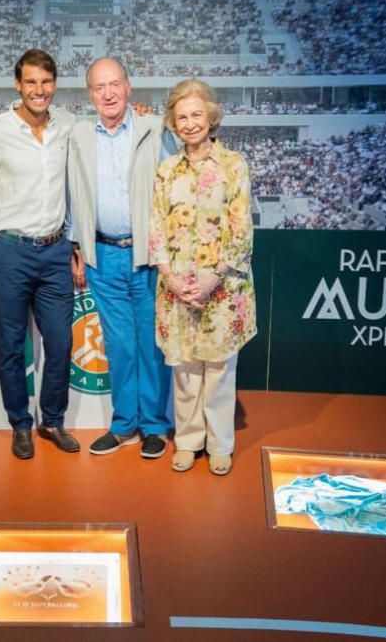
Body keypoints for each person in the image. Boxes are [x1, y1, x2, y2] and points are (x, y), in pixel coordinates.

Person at [149, 78, 257, 476]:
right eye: (182, 117)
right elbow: (155, 226)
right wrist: (170, 277)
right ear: (173, 123)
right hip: (176, 288)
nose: (190, 123)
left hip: (223, 289)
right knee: (185, 372)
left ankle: (220, 444)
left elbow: (241, 229)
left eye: (197, 115)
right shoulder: (165, 171)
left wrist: (214, 277)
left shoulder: (234, 165)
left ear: (211, 117)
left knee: (218, 372)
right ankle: (189, 441)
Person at [67, 57, 172, 459]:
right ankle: (124, 424)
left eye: (115, 85)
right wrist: (76, 246)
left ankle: (153, 427)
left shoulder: (154, 129)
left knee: (149, 344)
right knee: (120, 345)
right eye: (99, 87)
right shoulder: (78, 135)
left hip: (147, 256)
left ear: (129, 88)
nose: (108, 93)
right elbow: (71, 191)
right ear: (90, 94)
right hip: (102, 256)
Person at [0, 49, 80, 459]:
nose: (39, 90)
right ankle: (20, 425)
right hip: (10, 251)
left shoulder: (70, 126)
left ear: (54, 84)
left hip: (56, 250)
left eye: (46, 82)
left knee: (59, 344)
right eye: (31, 82)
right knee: (10, 346)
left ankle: (52, 421)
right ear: (18, 85)